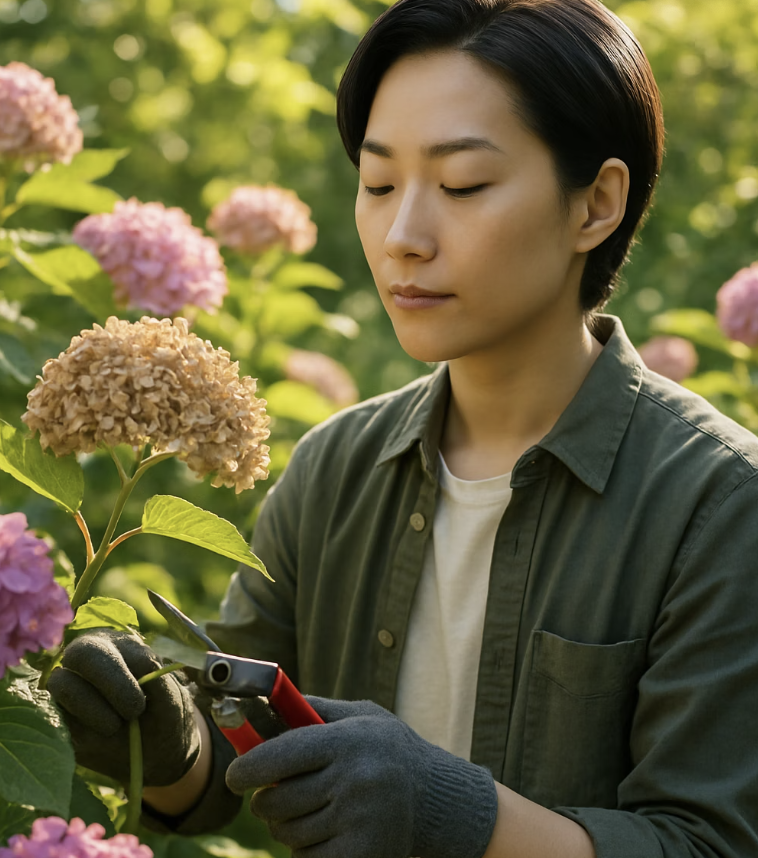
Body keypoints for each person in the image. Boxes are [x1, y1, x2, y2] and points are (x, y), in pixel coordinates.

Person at [49, 0, 758, 856]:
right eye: (379, 185)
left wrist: (461, 813)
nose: (402, 236)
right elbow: (227, 770)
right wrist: (163, 742)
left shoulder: (720, 504)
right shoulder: (334, 468)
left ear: (595, 205)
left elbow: (708, 843)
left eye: (462, 185)